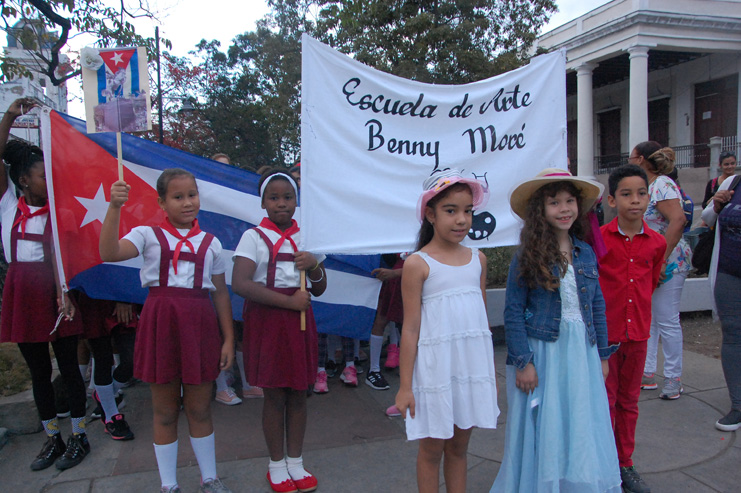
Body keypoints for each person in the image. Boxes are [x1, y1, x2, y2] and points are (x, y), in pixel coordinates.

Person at [99, 168, 234, 493]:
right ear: (161, 202)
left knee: (200, 408)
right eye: (178, 197)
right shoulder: (146, 235)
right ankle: (169, 484)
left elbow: (221, 293)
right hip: (161, 325)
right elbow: (109, 253)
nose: (187, 202)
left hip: (199, 327)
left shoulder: (211, 243)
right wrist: (114, 207)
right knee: (164, 410)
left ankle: (209, 478)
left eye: (192, 195)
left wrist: (228, 337)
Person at [491, 168, 621, 493]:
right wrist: (524, 361)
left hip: (582, 351)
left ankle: (571, 483)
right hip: (544, 350)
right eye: (554, 202)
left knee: (578, 419)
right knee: (545, 422)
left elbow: (598, 305)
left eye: (569, 201)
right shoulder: (526, 256)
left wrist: (602, 355)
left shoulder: (585, 251)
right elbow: (513, 311)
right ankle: (542, 484)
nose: (564, 209)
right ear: (541, 210)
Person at [0, 98, 91, 471]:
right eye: (41, 175)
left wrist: (64, 291)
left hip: (57, 292)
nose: (47, 180)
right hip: (22, 292)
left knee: (69, 367)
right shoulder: (8, 205)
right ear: (23, 180)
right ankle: (51, 436)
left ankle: (79, 435)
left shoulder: (62, 209)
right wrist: (9, 117)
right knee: (38, 370)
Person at [395, 169, 499, 493]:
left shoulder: (477, 260)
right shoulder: (418, 264)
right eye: (450, 211)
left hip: (468, 370)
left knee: (458, 448)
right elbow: (410, 330)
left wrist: (486, 372)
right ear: (430, 213)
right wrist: (405, 386)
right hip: (434, 372)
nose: (461, 220)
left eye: (467, 211)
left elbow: (478, 325)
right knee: (431, 450)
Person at [232, 169, 327, 493]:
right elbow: (241, 284)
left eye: (288, 197)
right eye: (274, 197)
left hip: (300, 321)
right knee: (274, 395)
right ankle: (276, 465)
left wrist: (313, 264)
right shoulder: (253, 238)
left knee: (299, 393)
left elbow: (322, 287)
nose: (281, 203)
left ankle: (296, 462)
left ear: (297, 201)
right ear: (263, 202)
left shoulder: (308, 237)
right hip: (269, 320)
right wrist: (289, 303)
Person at [600, 165, 666, 493]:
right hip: (606, 337)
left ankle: (625, 463)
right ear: (612, 200)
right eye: (626, 194)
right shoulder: (598, 240)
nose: (635, 201)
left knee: (629, 400)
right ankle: (604, 463)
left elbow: (650, 282)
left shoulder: (655, 243)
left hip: (638, 333)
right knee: (605, 400)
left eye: (641, 194)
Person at [628, 142, 691, 399]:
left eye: (631, 157)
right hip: (652, 260)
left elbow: (678, 219)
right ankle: (648, 373)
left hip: (669, 261)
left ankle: (674, 378)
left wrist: (663, 259)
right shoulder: (649, 186)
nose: (629, 161)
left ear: (641, 159)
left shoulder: (662, 184)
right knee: (651, 317)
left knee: (667, 319)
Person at [702, 171, 741, 431]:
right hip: (729, 272)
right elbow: (707, 218)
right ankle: (737, 405)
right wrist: (715, 204)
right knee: (733, 334)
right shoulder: (733, 182)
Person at [75, 293, 135, 440]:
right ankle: (111, 416)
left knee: (133, 359)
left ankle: (103, 394)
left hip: (120, 293)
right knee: (102, 357)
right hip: (92, 298)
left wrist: (123, 298)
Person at [365, 254, 404, 391]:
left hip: (415, 278)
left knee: (414, 326)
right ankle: (373, 370)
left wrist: (395, 272)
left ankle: (415, 370)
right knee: (382, 320)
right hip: (394, 279)